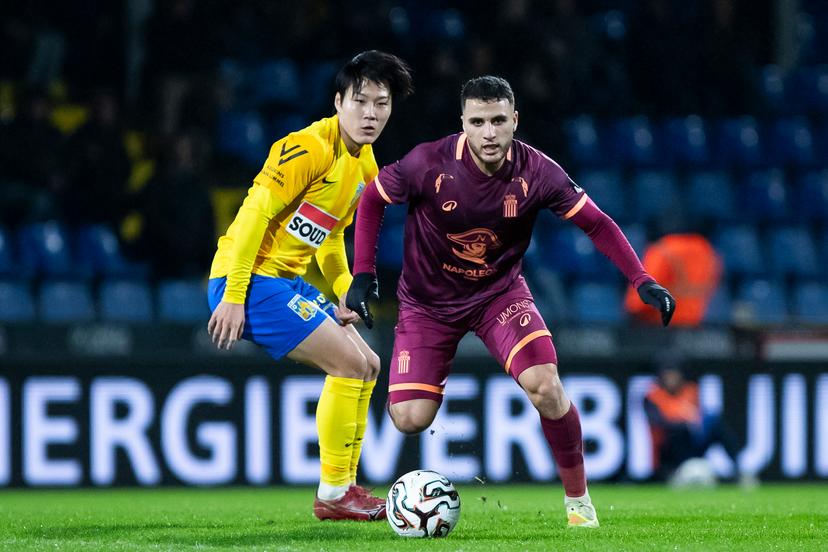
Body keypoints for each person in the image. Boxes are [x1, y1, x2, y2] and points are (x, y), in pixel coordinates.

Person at [346, 76, 675, 528]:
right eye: (478, 122)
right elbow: (372, 200)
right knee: (408, 418)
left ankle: (579, 503)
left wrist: (641, 279)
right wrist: (363, 273)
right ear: (463, 123)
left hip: (497, 296)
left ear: (515, 120)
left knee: (546, 385)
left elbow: (597, 224)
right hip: (427, 305)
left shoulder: (539, 172)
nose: (489, 133)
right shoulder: (428, 162)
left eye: (498, 120)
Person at [207, 51, 413, 521]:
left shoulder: (364, 165)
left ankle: (344, 488)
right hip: (247, 279)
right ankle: (334, 493)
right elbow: (252, 216)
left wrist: (343, 286)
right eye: (360, 101)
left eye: (381, 104)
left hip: (285, 281)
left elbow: (330, 234)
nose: (370, 113)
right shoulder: (307, 148)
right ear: (338, 102)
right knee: (347, 364)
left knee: (368, 363)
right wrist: (235, 296)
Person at [644, 354, 753, 485]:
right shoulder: (653, 396)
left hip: (691, 442)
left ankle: (739, 472)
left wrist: (696, 422)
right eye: (668, 375)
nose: (671, 379)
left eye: (674, 375)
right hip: (668, 448)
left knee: (715, 423)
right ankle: (673, 473)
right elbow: (657, 422)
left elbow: (699, 415)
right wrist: (684, 423)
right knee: (677, 432)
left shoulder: (690, 391)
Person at [624, 232, 722, 326]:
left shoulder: (662, 250)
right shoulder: (707, 251)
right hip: (699, 326)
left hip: (662, 327)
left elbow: (637, 304)